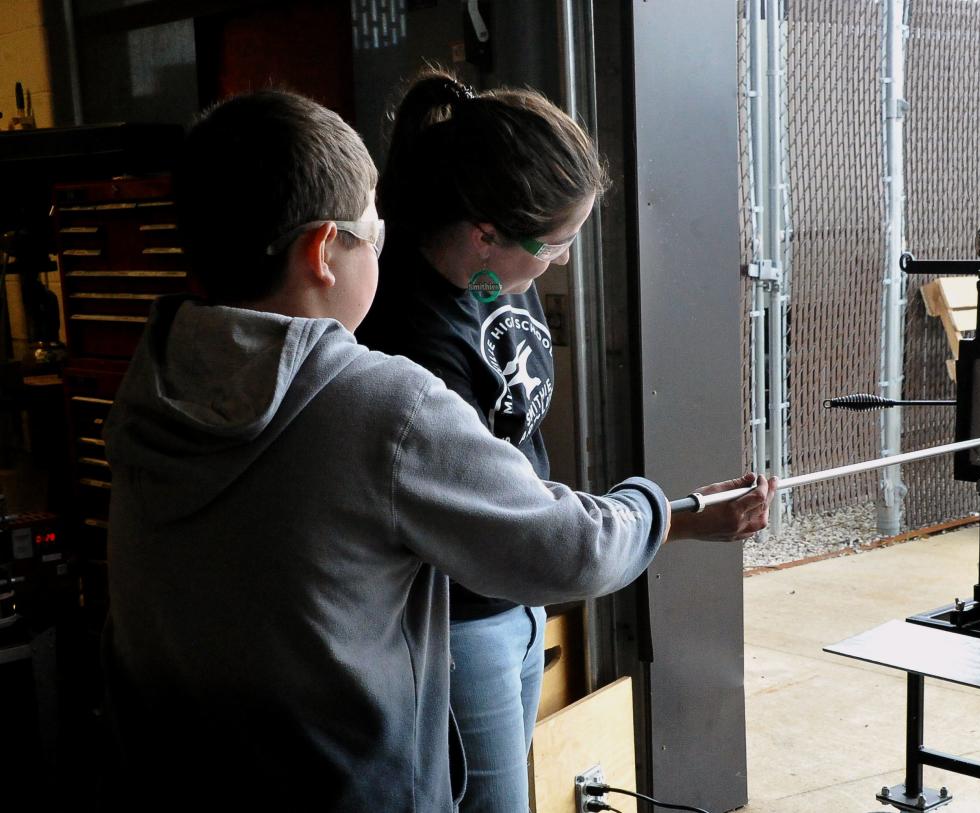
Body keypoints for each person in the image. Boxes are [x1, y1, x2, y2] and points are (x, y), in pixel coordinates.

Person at [101, 89, 773, 813]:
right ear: (323, 250)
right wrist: (660, 508)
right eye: (373, 233)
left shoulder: (149, 383)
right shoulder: (381, 404)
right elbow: (567, 547)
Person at [355, 69, 633, 813]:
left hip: (513, 593)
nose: (563, 260)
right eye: (557, 243)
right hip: (457, 614)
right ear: (485, 232)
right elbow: (474, 505)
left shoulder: (499, 271)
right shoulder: (411, 336)